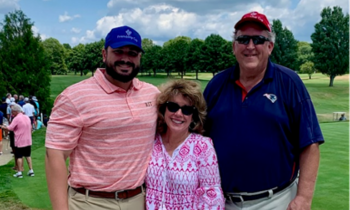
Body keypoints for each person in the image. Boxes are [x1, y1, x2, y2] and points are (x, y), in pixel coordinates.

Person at [203, 11, 324, 210]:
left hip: (276, 201)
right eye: (243, 39)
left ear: (270, 46)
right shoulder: (217, 85)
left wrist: (304, 198)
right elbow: (197, 138)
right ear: (234, 47)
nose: (250, 46)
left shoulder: (289, 83)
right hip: (222, 202)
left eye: (259, 39)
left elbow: (310, 144)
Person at [45, 25, 159, 210]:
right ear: (104, 54)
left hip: (140, 200)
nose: (125, 58)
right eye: (118, 51)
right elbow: (55, 155)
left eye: (132, 53)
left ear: (139, 57)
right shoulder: (74, 97)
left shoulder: (152, 94)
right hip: (91, 202)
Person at [145, 80, 224, 210]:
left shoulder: (203, 146)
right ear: (163, 109)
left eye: (187, 110)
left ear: (193, 116)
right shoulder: (151, 140)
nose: (178, 114)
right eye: (173, 106)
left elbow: (211, 196)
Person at [1, 104, 34, 178]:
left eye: (12, 112)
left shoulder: (16, 118)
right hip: (28, 140)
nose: (12, 113)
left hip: (20, 141)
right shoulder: (27, 117)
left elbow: (10, 128)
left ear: (16, 111)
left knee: (19, 156)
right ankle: (31, 170)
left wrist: (3, 127)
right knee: (28, 155)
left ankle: (19, 172)